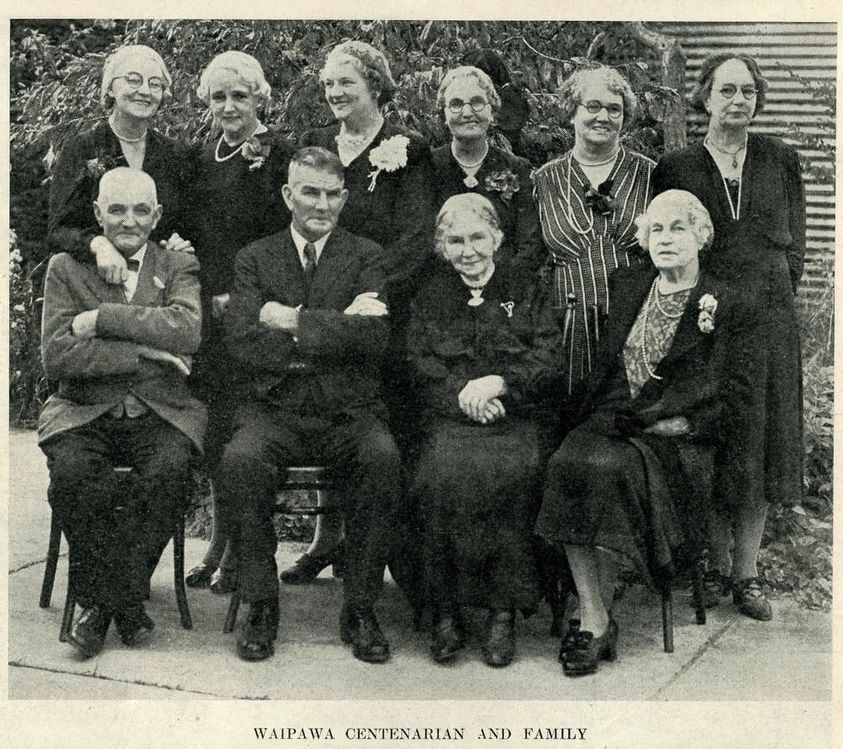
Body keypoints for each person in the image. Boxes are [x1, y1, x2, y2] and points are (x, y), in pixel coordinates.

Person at [536, 190, 757, 676]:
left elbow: (740, 391)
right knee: (566, 462)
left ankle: (593, 619)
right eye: (655, 229)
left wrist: (690, 423)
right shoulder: (631, 282)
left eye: (678, 227)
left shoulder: (728, 300)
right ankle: (596, 608)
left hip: (678, 436)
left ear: (701, 234)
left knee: (607, 469)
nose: (666, 239)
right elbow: (610, 368)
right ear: (644, 240)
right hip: (616, 415)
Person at [218, 147, 401, 663]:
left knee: (382, 459)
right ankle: (260, 602)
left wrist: (293, 321)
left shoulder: (367, 255)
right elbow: (242, 340)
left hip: (348, 409)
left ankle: (361, 607)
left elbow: (375, 339)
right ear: (288, 195)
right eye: (309, 193)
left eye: (330, 194)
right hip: (273, 406)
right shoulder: (254, 257)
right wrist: (338, 322)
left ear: (344, 198)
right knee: (242, 460)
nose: (320, 205)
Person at [651, 53, 806, 621]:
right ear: (706, 97)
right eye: (726, 91)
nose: (737, 101)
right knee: (717, 437)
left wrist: (773, 294)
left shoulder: (779, 159)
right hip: (706, 322)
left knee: (759, 444)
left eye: (747, 92)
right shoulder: (677, 165)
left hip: (768, 323)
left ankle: (748, 575)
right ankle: (714, 569)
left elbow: (796, 246)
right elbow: (665, 244)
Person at [38, 167, 206, 658]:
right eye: (116, 209)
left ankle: (100, 604)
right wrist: (144, 353)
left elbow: (187, 331)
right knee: (72, 474)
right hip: (83, 410)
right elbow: (57, 355)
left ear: (156, 215)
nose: (128, 221)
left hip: (160, 410)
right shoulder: (66, 268)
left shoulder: (177, 264)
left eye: (139, 210)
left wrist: (103, 320)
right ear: (96, 214)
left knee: (172, 471)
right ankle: (126, 602)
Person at [291, 41, 434, 593]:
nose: (334, 93)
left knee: (374, 432)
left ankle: (374, 553)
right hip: (318, 306)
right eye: (328, 84)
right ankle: (325, 540)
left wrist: (369, 294)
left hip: (380, 313)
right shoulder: (317, 144)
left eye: (345, 82)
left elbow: (417, 238)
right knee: (326, 412)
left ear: (375, 84)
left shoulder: (408, 150)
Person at [408, 194, 563, 667]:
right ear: (441, 245)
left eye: (478, 237)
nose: (468, 249)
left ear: (496, 237)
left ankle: (502, 613)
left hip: (514, 417)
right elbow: (418, 362)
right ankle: (446, 611)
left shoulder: (528, 287)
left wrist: (501, 383)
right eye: (455, 240)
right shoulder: (429, 294)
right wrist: (462, 395)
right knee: (437, 476)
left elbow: (549, 354)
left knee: (516, 476)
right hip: (451, 419)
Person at [180, 51, 294, 595]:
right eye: (219, 96)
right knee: (217, 435)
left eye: (240, 96)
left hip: (257, 317)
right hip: (207, 317)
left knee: (248, 439)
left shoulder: (277, 157)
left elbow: (289, 245)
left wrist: (248, 299)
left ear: (260, 100)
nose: (229, 106)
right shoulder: (200, 158)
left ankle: (242, 554)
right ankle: (221, 542)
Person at [532, 66, 655, 398]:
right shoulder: (545, 180)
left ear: (624, 117)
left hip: (634, 326)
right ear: (572, 112)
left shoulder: (651, 175)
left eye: (614, 109)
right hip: (565, 329)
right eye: (593, 106)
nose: (604, 116)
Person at [47, 45, 192, 271]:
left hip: (156, 281)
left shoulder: (175, 154)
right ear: (111, 88)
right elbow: (58, 231)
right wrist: (98, 245)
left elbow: (187, 224)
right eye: (133, 80)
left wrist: (179, 241)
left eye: (154, 84)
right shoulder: (82, 149)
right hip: (94, 277)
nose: (144, 91)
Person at [431, 66, 543, 271]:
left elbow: (530, 245)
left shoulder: (516, 168)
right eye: (456, 104)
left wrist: (494, 282)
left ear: (492, 110)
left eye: (477, 102)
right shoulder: (427, 167)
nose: (467, 112)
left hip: (502, 289)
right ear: (444, 114)